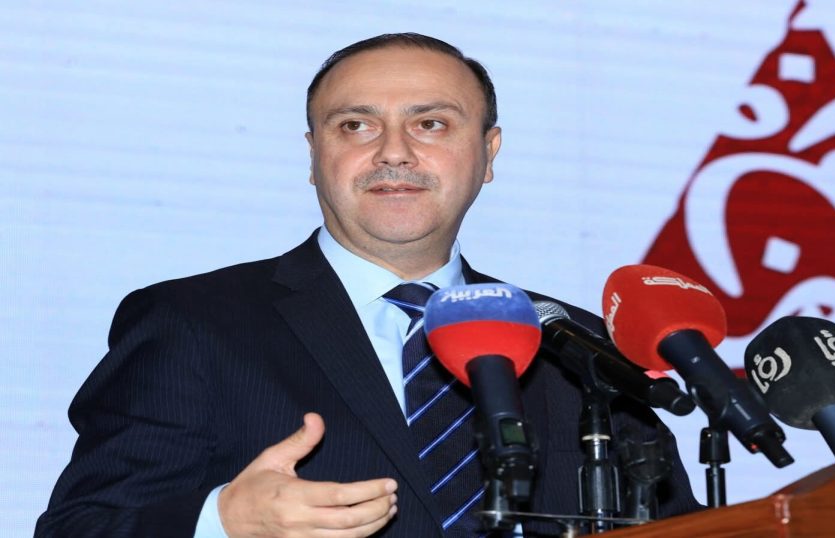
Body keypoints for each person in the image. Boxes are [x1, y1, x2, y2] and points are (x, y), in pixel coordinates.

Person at [35, 33, 701, 537]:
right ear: (314, 155)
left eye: (431, 124)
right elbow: (79, 527)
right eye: (355, 125)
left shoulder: (575, 341)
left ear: (488, 153)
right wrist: (223, 521)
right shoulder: (195, 322)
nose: (393, 152)